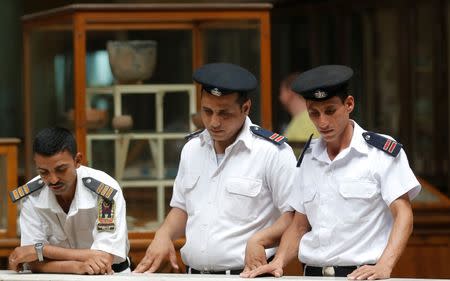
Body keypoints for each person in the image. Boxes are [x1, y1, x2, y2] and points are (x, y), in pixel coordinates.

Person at [241, 65, 421, 279]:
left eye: (330, 111)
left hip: (361, 276)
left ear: (349, 104)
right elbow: (299, 225)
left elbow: (403, 214)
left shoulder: (379, 153)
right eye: (314, 114)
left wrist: (385, 265)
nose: (322, 122)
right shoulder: (308, 157)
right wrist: (278, 261)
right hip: (312, 274)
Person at [134, 62, 297, 275]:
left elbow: (294, 216)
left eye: (224, 113)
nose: (214, 122)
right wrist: (163, 234)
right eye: (207, 111)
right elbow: (181, 207)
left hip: (248, 274)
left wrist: (260, 239)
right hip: (193, 274)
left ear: (245, 108)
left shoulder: (272, 152)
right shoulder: (192, 149)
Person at [8, 127, 130, 274]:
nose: (53, 180)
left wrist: (41, 250)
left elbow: (103, 259)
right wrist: (77, 267)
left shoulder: (105, 192)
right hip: (54, 275)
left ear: (77, 160)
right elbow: (32, 261)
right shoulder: (31, 196)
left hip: (110, 275)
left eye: (61, 169)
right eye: (43, 172)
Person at [279, 72, 319, 143]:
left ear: (290, 91)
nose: (280, 97)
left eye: (281, 91)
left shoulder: (306, 121)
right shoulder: (307, 118)